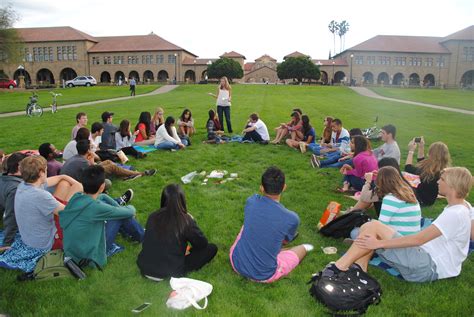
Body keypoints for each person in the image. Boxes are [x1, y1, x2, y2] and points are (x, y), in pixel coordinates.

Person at [325, 167, 473, 283]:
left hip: (428, 266)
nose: (437, 182)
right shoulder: (463, 206)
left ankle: (337, 268)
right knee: (369, 227)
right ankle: (358, 269)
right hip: (427, 260)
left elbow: (418, 240)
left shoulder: (455, 213)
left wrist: (379, 243)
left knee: (371, 228)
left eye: (442, 179)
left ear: (453, 185)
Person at [230, 167, 313, 283]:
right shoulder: (292, 218)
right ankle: (281, 253)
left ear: (261, 188)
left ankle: (273, 251)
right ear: (284, 187)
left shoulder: (251, 201)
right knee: (304, 247)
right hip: (263, 275)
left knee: (245, 227)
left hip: (236, 262)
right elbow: (285, 241)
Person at [60, 165, 144, 268]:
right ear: (102, 186)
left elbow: (102, 196)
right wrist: (128, 209)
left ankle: (131, 230)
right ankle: (142, 236)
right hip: (89, 257)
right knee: (121, 216)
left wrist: (116, 206)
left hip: (73, 252)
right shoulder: (96, 207)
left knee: (110, 204)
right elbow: (130, 211)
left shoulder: (76, 197)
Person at [137, 184, 217, 279]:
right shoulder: (186, 220)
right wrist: (192, 220)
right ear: (182, 200)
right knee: (211, 248)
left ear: (163, 199)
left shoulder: (152, 216)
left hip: (145, 267)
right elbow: (202, 244)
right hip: (170, 272)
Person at [15, 156, 83, 250]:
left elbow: (59, 178)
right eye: (46, 170)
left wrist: (64, 176)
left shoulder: (23, 185)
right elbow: (68, 214)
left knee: (64, 183)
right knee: (77, 197)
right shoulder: (40, 195)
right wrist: (79, 187)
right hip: (46, 243)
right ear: (41, 173)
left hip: (30, 238)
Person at [61, 140, 155, 182]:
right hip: (79, 182)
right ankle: (139, 173)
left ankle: (126, 173)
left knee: (108, 162)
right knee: (112, 167)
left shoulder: (78, 157)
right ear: (88, 151)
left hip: (76, 178)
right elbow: (93, 169)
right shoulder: (83, 161)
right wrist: (92, 159)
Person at [373, 166, 421, 235]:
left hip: (399, 241)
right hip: (413, 239)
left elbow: (381, 225)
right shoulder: (408, 194)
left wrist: (368, 182)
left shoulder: (390, 199)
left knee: (365, 228)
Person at [405, 139, 451, 206]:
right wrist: (421, 147)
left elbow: (408, 168)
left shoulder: (429, 171)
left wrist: (411, 151)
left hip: (421, 199)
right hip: (429, 198)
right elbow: (421, 162)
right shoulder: (442, 168)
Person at [0, 153, 27, 248]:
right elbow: (11, 216)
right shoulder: (15, 189)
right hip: (13, 233)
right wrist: (7, 243)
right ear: (19, 166)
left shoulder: (3, 179)